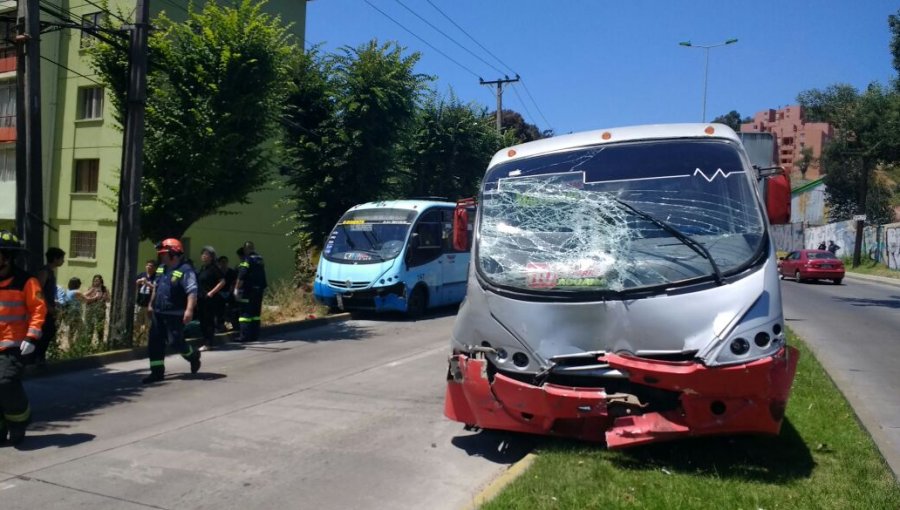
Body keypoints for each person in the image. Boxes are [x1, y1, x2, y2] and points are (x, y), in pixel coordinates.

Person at [0, 230, 46, 445]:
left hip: (14, 345)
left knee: (6, 382)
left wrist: (32, 337)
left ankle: (20, 421)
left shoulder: (26, 281)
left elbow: (38, 309)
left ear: (8, 257)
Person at [143, 238, 201, 384]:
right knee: (155, 342)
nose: (161, 256)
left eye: (164, 253)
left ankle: (193, 355)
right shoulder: (162, 267)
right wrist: (151, 304)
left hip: (175, 313)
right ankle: (156, 373)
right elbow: (156, 287)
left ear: (173, 253)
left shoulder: (186, 270)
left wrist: (189, 310)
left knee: (176, 342)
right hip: (158, 312)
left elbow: (192, 291)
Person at [33, 247, 65, 367]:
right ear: (55, 258)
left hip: (49, 308)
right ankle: (37, 358)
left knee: (49, 331)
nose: (63, 261)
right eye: (62, 258)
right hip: (43, 310)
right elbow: (38, 291)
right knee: (46, 331)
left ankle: (40, 357)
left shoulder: (51, 272)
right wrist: (47, 306)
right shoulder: (45, 271)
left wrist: (54, 303)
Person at [234, 241, 267, 343]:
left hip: (248, 290)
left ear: (245, 249)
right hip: (259, 290)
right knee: (255, 314)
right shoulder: (260, 259)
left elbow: (242, 275)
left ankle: (244, 336)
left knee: (245, 314)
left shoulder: (247, 259)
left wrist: (236, 289)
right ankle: (254, 335)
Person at [196, 246, 225, 351]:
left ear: (211, 257)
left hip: (209, 298)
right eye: (202, 254)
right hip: (201, 298)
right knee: (202, 320)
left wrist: (211, 293)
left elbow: (222, 282)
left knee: (208, 321)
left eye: (206, 254)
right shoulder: (203, 268)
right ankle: (205, 341)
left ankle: (209, 343)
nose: (203, 256)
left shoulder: (214, 268)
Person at [134, 260, 158, 346]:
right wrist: (137, 282)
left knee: (148, 326)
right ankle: (135, 342)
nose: (148, 267)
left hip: (149, 305)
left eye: (151, 266)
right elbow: (134, 285)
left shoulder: (156, 277)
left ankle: (144, 344)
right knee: (136, 324)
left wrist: (147, 283)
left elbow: (156, 288)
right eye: (147, 265)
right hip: (139, 304)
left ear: (154, 268)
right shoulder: (141, 275)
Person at [83, 275, 110, 347]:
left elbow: (108, 299)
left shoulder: (105, 289)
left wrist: (104, 297)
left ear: (101, 281)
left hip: (100, 311)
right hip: (90, 311)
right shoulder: (90, 289)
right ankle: (87, 344)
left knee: (100, 328)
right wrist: (94, 296)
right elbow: (85, 298)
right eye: (94, 280)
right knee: (89, 328)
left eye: (97, 280)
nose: (96, 282)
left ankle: (100, 345)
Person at [59, 277, 86, 342]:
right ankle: (76, 344)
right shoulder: (77, 292)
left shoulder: (68, 291)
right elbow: (86, 299)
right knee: (82, 329)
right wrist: (96, 296)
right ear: (77, 284)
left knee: (72, 330)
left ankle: (71, 345)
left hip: (69, 313)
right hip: (75, 313)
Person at [216, 255, 238, 332]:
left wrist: (232, 291)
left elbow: (235, 282)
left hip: (229, 293)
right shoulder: (216, 272)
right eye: (222, 262)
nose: (224, 264)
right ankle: (220, 326)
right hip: (219, 294)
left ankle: (233, 326)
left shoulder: (231, 272)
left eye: (225, 262)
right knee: (219, 311)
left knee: (231, 310)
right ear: (219, 263)